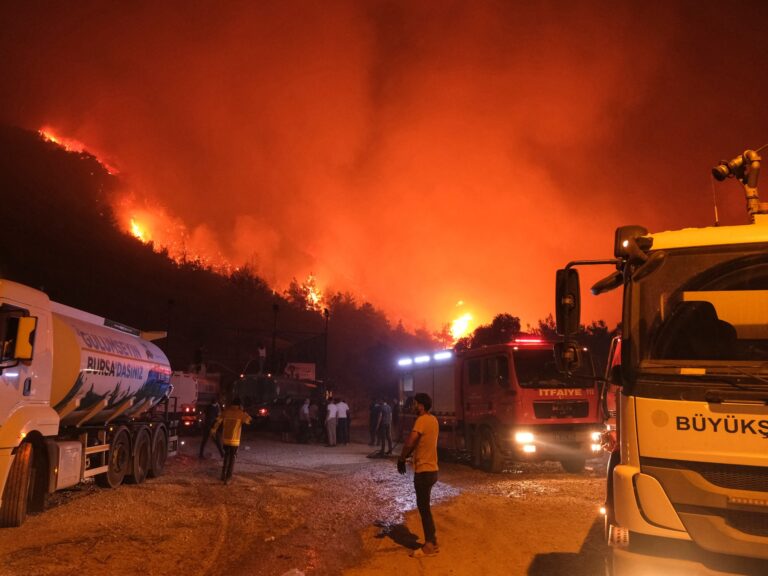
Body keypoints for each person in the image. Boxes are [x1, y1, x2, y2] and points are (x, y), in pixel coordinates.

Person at [397, 393, 439, 558]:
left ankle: (429, 546)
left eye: (415, 403)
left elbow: (410, 441)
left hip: (423, 471)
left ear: (421, 406)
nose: (413, 406)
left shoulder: (421, 420)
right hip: (433, 469)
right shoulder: (433, 420)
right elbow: (420, 442)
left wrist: (401, 458)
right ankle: (433, 541)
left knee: (424, 509)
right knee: (425, 508)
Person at [210, 397, 253, 484]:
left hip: (225, 440)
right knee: (232, 459)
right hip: (235, 441)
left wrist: (213, 431)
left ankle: (223, 475)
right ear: (240, 405)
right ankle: (228, 478)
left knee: (226, 457)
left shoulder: (226, 412)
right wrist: (243, 411)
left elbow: (217, 421)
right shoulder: (240, 413)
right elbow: (250, 420)